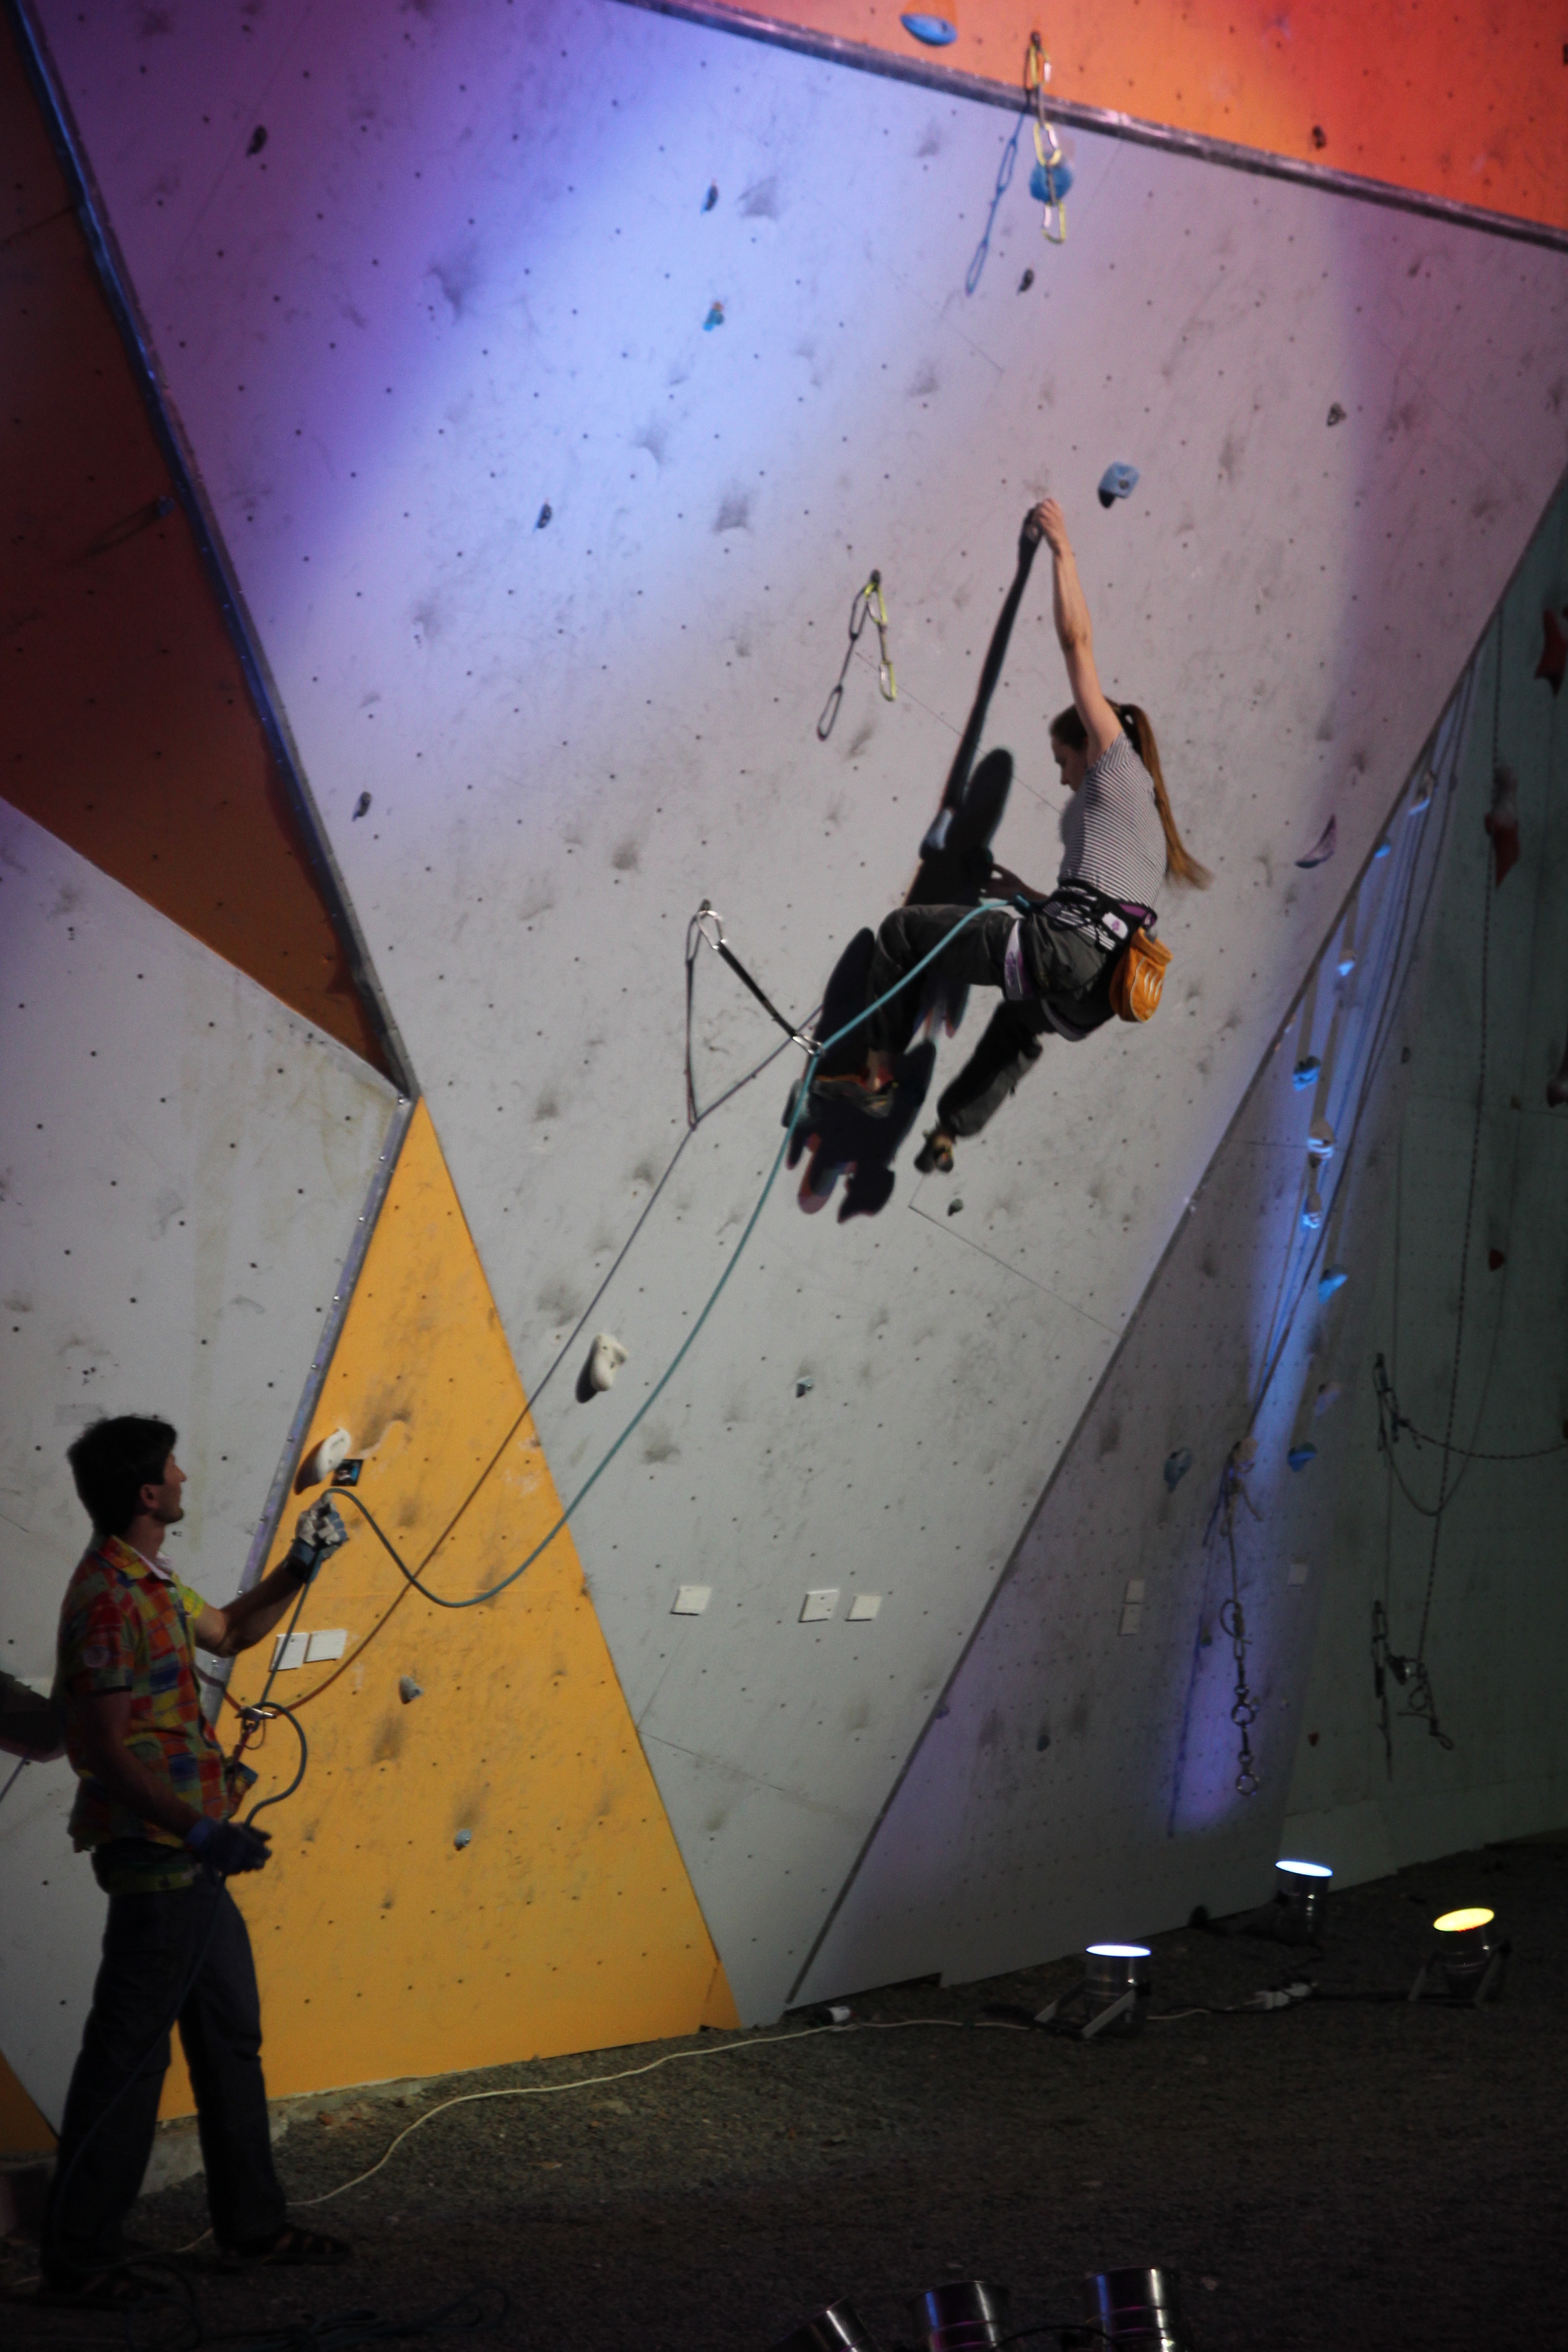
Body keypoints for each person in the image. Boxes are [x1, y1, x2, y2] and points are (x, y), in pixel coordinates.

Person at [43, 1414, 351, 2300]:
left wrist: (300, 1567)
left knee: (228, 2039)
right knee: (128, 2064)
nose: (184, 1477)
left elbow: (225, 1633)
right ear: (149, 1495)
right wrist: (202, 1828)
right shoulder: (106, 1597)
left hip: (194, 1865)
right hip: (161, 1860)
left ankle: (252, 2230)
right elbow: (101, 1748)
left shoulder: (149, 1580)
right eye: (174, 1469)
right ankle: (80, 2262)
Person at [820, 497, 1211, 1169]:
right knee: (1016, 1023)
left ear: (1090, 744)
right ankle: (951, 1128)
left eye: (1063, 761)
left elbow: (1076, 645)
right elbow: (1100, 912)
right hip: (1086, 992)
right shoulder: (1144, 820)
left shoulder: (1113, 762)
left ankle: (877, 1078)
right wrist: (1024, 891)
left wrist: (1061, 551)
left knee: (900, 934)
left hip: (1059, 955)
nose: (1062, 780)